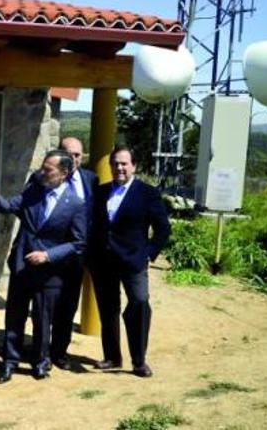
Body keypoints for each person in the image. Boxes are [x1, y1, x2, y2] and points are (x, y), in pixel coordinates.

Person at [0, 149, 86, 382]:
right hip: (22, 266)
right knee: (14, 317)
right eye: (43, 167)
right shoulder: (33, 190)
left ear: (64, 173)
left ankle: (39, 363)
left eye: (49, 169)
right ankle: (9, 363)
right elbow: (9, 206)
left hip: (50, 273)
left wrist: (48, 255)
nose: (42, 172)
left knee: (42, 319)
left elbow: (78, 242)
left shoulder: (76, 204)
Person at [90, 145, 170, 378]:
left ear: (134, 166)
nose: (119, 168)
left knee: (140, 303)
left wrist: (148, 253)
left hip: (133, 261)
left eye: (124, 163)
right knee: (108, 310)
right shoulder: (101, 191)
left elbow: (163, 228)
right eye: (115, 163)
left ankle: (139, 360)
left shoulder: (147, 193)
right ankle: (112, 356)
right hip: (103, 261)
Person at [50, 137, 98, 369]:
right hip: (50, 252)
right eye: (69, 154)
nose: (74, 159)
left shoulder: (91, 180)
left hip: (76, 255)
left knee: (68, 304)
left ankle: (58, 351)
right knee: (46, 303)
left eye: (78, 155)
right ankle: (38, 349)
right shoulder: (46, 177)